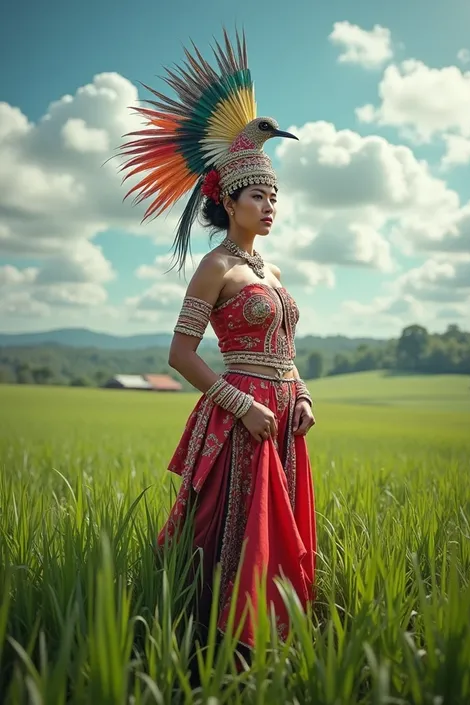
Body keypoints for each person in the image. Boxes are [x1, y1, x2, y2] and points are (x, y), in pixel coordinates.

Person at [119, 29, 317, 650]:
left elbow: (284, 349)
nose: (270, 204)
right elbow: (179, 355)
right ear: (230, 201)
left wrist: (301, 396)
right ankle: (212, 644)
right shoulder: (216, 267)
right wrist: (242, 405)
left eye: (275, 196)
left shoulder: (274, 272)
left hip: (283, 418)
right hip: (240, 418)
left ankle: (279, 641)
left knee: (281, 541)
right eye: (259, 194)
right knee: (230, 539)